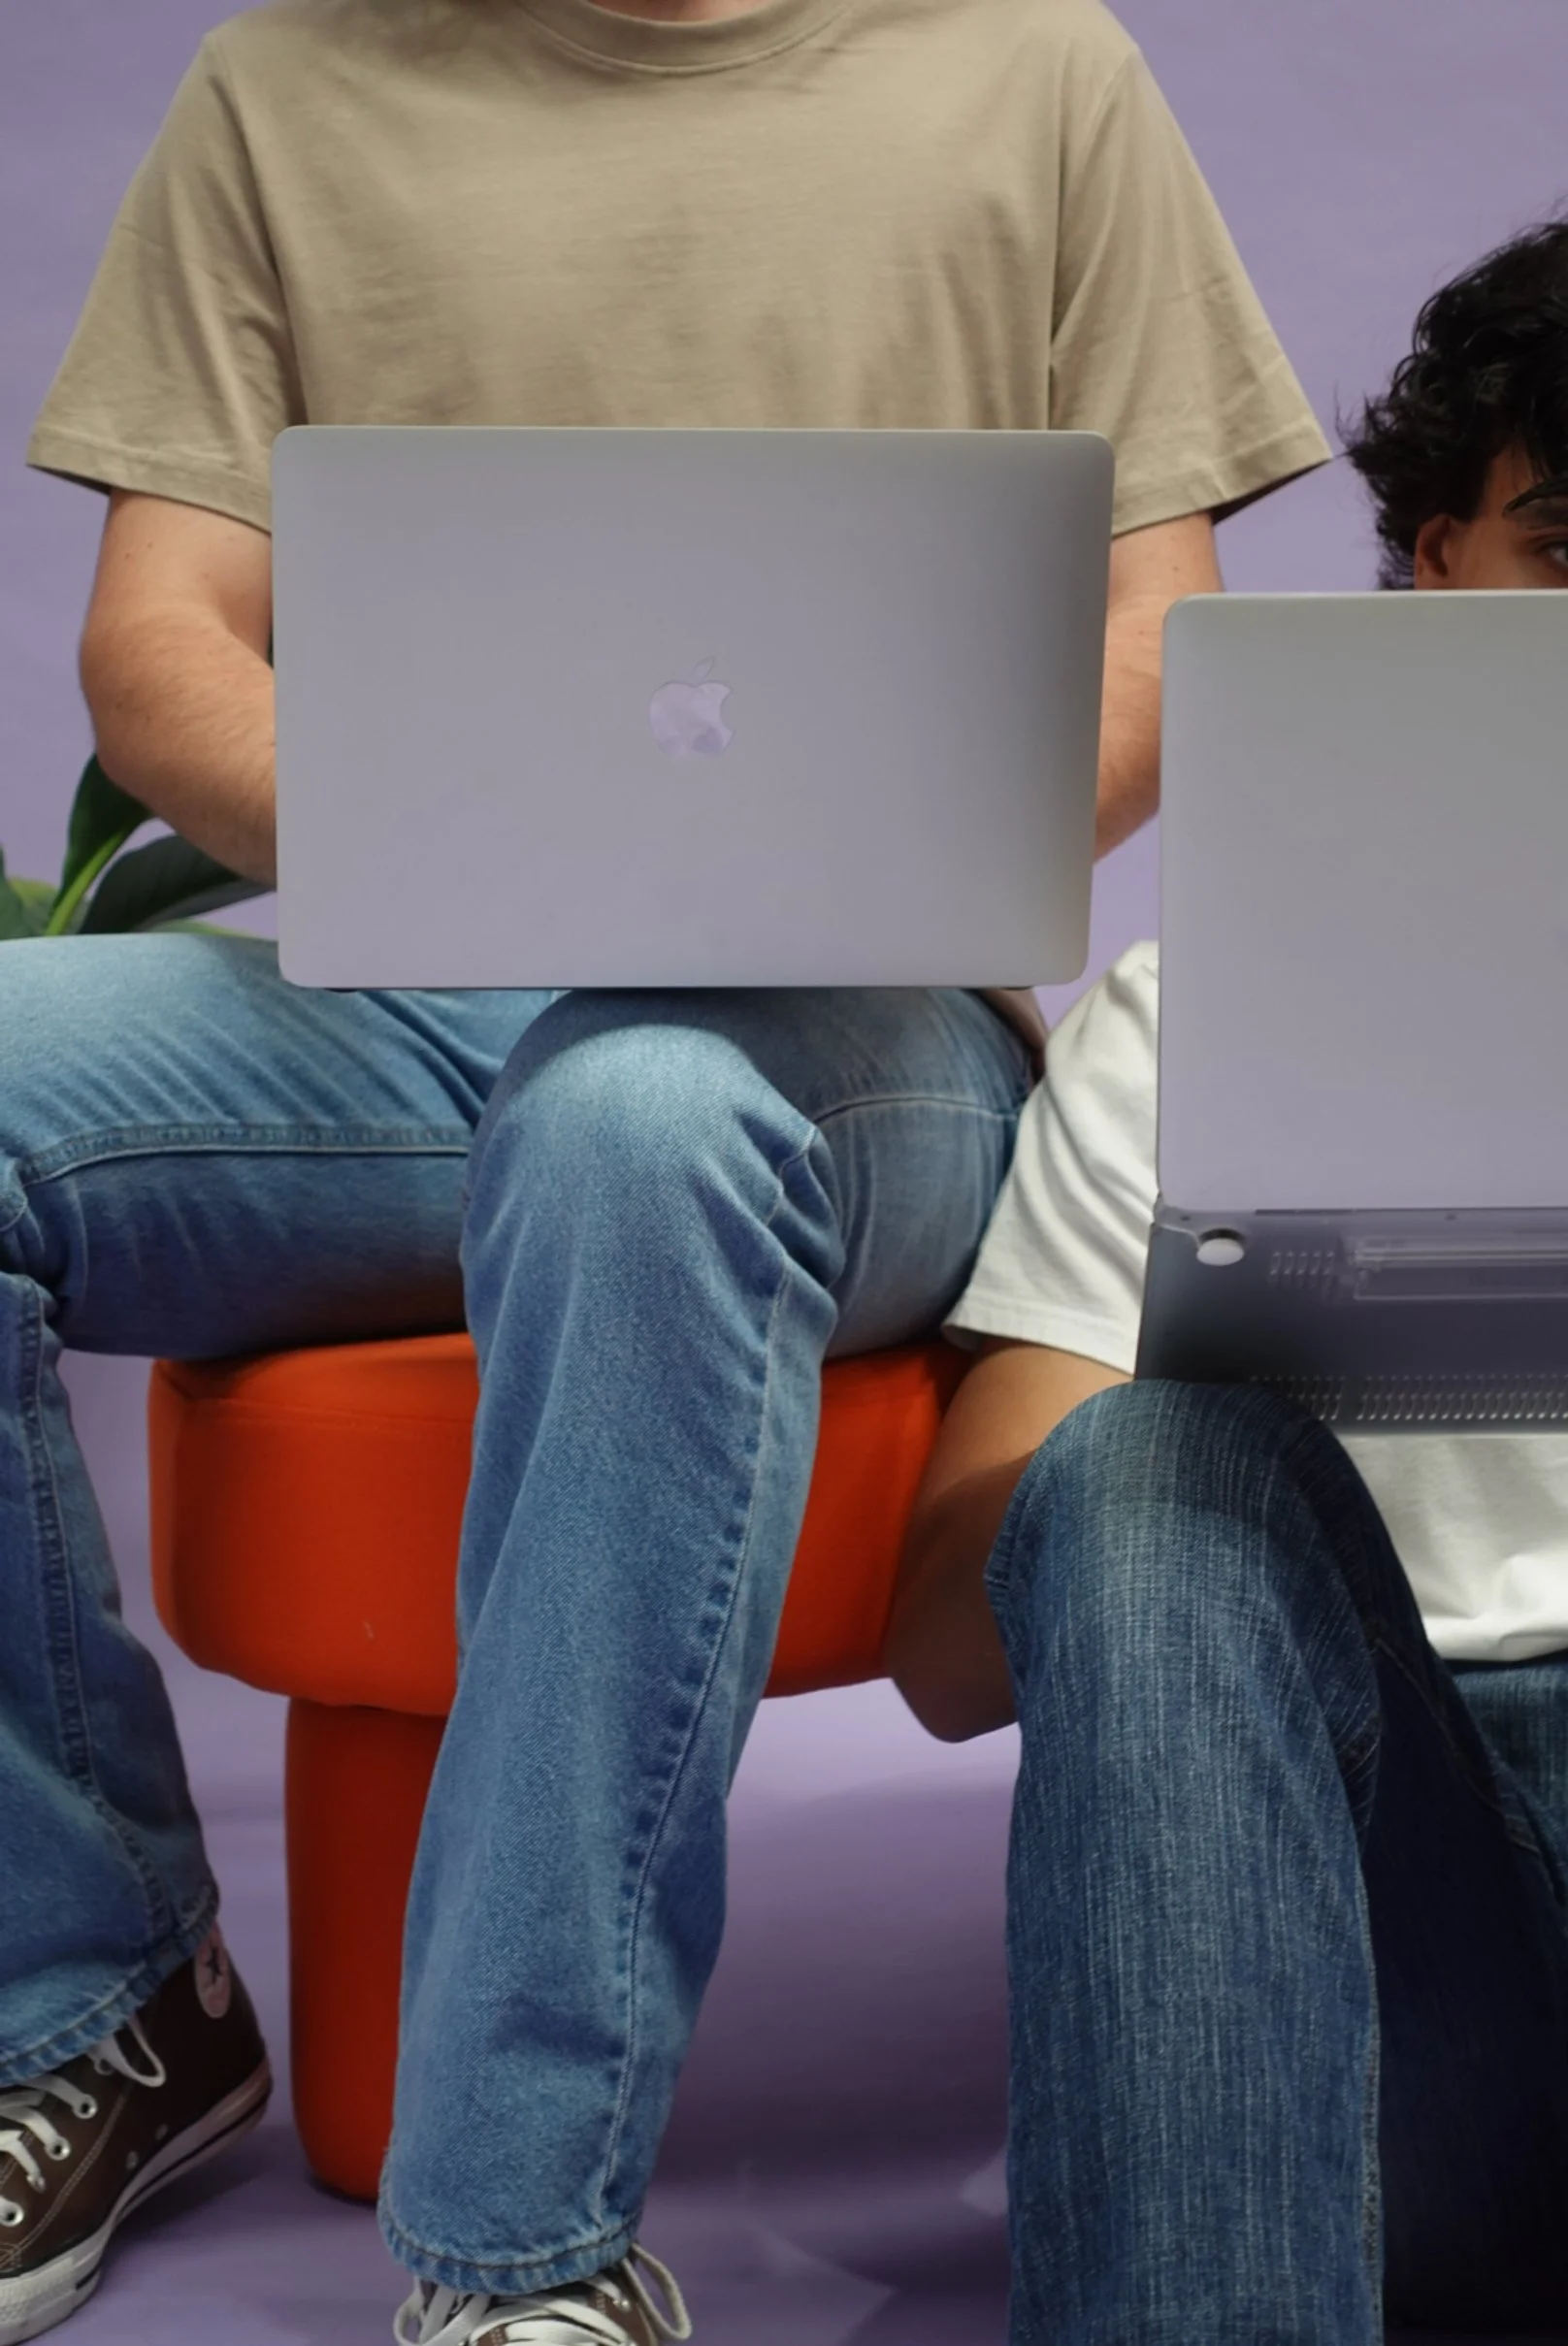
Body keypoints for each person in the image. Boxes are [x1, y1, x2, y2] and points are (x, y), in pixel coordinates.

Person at [0, 0, 1328, 2338]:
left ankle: (515, 2250)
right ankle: (101, 1996)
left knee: (639, 1120)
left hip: (867, 1026)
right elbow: (161, 642)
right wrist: (492, 841)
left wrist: (826, 853)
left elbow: (1158, 636)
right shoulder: (282, 88)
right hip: (415, 992)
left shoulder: (1039, 71)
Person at [887, 218, 1568, 2346]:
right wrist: (1252, 1338)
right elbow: (940, 1647)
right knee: (1139, 1475)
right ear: (1433, 562)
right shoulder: (1192, 1017)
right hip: (1400, 1971)